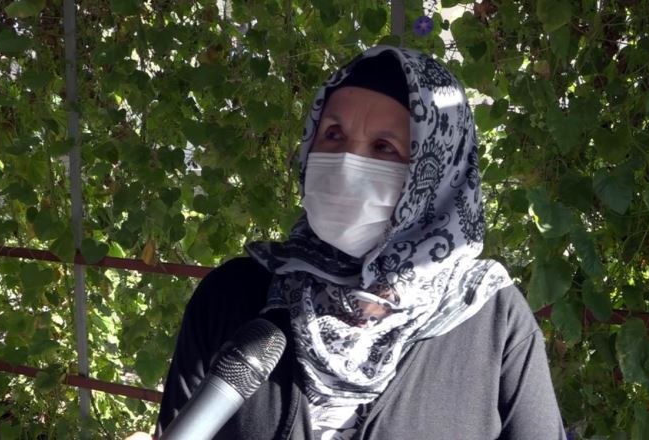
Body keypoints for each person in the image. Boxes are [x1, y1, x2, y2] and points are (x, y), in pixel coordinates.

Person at [153, 46, 567, 439]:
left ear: (437, 172)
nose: (349, 164)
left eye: (384, 147)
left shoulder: (492, 319)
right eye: (333, 135)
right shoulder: (232, 295)